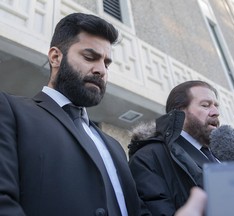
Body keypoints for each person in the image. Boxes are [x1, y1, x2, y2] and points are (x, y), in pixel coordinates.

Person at [0, 13, 150, 216]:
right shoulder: (10, 110)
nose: (101, 70)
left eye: (106, 63)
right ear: (55, 57)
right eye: (90, 57)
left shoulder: (114, 146)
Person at [128, 80, 220, 215]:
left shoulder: (222, 155)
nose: (215, 112)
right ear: (179, 112)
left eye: (216, 106)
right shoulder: (148, 157)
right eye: (205, 105)